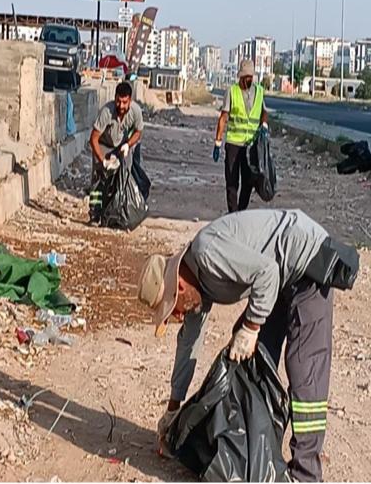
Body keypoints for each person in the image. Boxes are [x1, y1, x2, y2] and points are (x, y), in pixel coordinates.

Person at [138, 209, 335, 482]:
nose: (179, 316)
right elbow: (189, 345)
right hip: (280, 276)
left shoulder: (208, 254)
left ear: (179, 288)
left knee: (305, 371)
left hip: (307, 263)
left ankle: (306, 474)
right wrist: (173, 411)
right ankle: (260, 452)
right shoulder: (197, 285)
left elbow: (267, 273)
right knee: (250, 361)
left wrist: (252, 326)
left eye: (175, 310)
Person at [213, 59, 269, 213]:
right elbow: (223, 117)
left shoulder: (259, 92)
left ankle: (240, 212)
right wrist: (218, 142)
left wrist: (264, 125)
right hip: (233, 144)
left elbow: (264, 112)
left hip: (250, 146)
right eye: (245, 78)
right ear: (241, 77)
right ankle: (233, 213)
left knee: (248, 181)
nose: (248, 81)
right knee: (231, 181)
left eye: (250, 78)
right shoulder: (232, 92)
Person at [89, 81, 146, 221]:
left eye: (124, 102)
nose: (121, 106)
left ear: (130, 100)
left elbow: (139, 132)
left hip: (121, 146)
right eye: (118, 101)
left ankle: (116, 210)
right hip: (103, 145)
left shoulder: (135, 111)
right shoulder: (106, 112)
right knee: (99, 180)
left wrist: (128, 144)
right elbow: (94, 138)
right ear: (115, 98)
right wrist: (102, 161)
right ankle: (95, 214)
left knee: (122, 177)